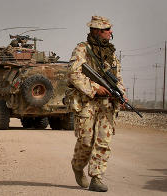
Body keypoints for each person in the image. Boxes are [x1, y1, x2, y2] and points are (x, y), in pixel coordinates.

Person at [66, 16, 126, 192]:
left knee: (103, 142)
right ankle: (78, 166)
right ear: (97, 31)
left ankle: (97, 177)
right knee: (85, 141)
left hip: (107, 105)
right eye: (107, 29)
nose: (110, 32)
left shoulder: (111, 54)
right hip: (87, 102)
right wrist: (95, 87)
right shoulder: (82, 49)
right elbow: (74, 74)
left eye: (109, 29)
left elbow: (118, 78)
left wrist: (121, 93)